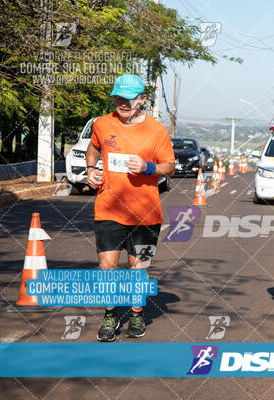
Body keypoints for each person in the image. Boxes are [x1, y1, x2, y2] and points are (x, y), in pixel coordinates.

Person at [86, 73, 175, 342]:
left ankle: (136, 313)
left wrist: (148, 167)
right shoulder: (102, 124)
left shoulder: (157, 130)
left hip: (145, 212)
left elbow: (169, 167)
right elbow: (93, 148)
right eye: (118, 98)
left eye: (129, 99)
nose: (123, 103)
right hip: (109, 208)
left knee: (138, 268)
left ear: (142, 99)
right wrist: (90, 168)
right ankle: (111, 314)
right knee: (107, 267)